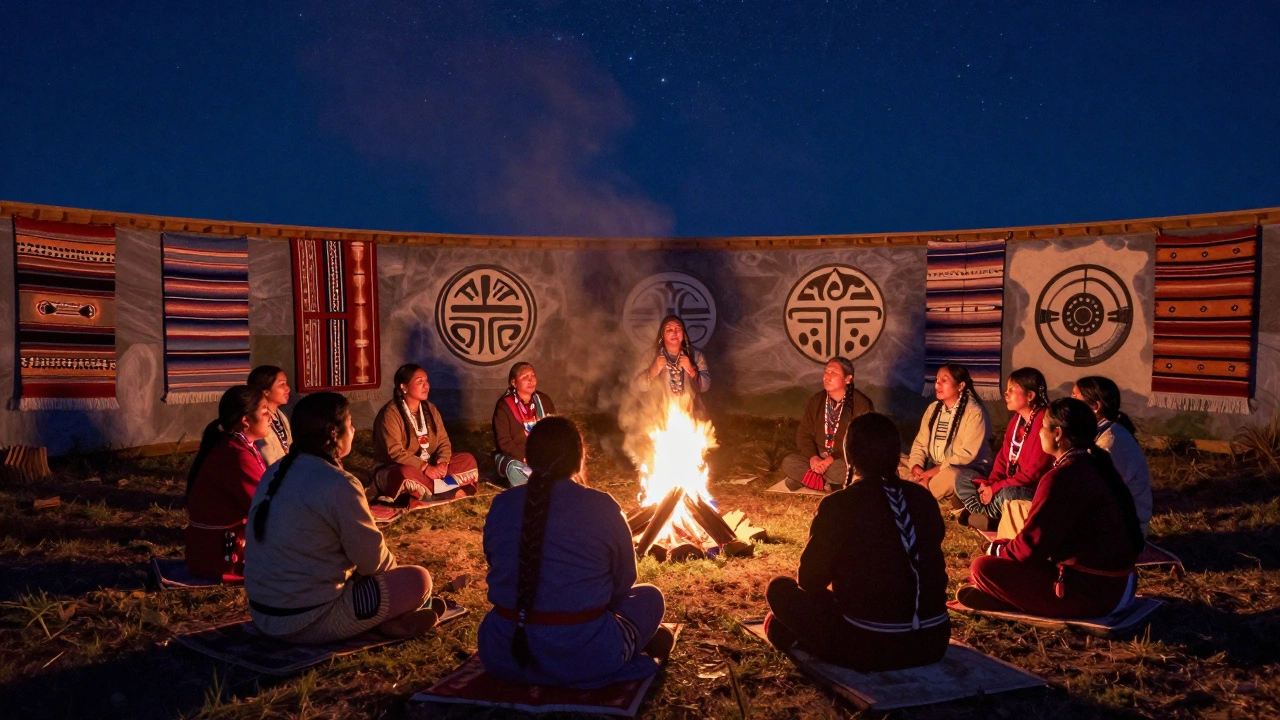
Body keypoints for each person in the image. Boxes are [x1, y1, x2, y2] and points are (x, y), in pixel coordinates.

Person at [478, 416, 673, 688]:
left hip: (504, 653)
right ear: (579, 458)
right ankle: (629, 646)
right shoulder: (601, 506)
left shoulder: (501, 505)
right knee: (650, 597)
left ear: (529, 457)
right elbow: (625, 580)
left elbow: (495, 564)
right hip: (585, 656)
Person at [245, 392, 442, 643]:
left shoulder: (274, 471)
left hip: (264, 614)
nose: (353, 430)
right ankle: (387, 621)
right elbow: (374, 563)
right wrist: (394, 585)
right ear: (333, 434)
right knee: (417, 579)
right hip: (307, 619)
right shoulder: (339, 483)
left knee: (361, 574)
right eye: (349, 424)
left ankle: (386, 622)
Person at [764, 413, 950, 671]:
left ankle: (793, 633)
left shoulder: (839, 505)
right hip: (933, 642)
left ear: (848, 457)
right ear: (897, 454)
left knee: (779, 588)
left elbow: (809, 580)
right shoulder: (924, 499)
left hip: (870, 645)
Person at [957, 398, 1146, 619]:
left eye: (1042, 428)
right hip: (1120, 584)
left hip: (1094, 593)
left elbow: (1030, 549)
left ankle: (1005, 596)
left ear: (1057, 433)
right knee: (1005, 556)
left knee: (982, 567)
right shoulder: (1095, 465)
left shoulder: (1062, 477)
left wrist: (996, 550)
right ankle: (1003, 595)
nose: (1038, 433)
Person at [184, 385, 272, 582]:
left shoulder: (238, 447)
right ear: (246, 421)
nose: (271, 418)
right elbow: (263, 505)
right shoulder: (237, 455)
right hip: (222, 557)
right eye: (265, 411)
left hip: (208, 553)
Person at [954, 368, 1054, 531]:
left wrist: (994, 489)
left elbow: (1032, 475)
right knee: (964, 478)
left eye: (1011, 389)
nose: (1005, 394)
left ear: (1030, 395)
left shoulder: (1043, 422)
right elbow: (1002, 459)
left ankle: (981, 513)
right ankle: (987, 515)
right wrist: (990, 484)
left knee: (1008, 495)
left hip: (1030, 491)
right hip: (1006, 484)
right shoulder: (1016, 421)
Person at [371, 364, 478, 502]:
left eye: (426, 381)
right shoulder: (391, 414)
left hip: (431, 465)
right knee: (405, 473)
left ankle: (434, 491)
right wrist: (424, 467)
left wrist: (443, 462)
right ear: (403, 387)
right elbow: (395, 451)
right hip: (396, 468)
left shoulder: (430, 409)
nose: (426, 386)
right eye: (419, 382)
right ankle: (449, 491)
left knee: (467, 459)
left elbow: (443, 441)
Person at [1073, 376, 1154, 537]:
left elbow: (1098, 492)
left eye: (1075, 396)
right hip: (1108, 519)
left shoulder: (1111, 442)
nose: (1071, 401)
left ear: (1095, 407)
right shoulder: (1099, 433)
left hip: (1123, 530)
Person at [780, 357, 875, 492]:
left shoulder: (861, 404)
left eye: (833, 372)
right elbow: (803, 434)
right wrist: (813, 458)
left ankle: (809, 479)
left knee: (850, 470)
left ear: (848, 379)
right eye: (826, 372)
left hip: (843, 460)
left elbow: (860, 443)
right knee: (789, 462)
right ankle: (824, 482)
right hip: (817, 459)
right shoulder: (816, 401)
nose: (827, 376)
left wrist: (830, 459)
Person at [907, 363, 993, 506]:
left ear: (960, 386)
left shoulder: (974, 412)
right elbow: (920, 444)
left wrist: (929, 474)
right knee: (896, 462)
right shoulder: (932, 409)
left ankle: (916, 500)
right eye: (936, 380)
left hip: (963, 469)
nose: (937, 385)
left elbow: (965, 455)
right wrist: (917, 467)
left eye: (944, 380)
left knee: (951, 476)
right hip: (932, 467)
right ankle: (924, 489)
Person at [493, 362, 557, 487]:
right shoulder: (504, 406)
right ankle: (535, 484)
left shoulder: (544, 400)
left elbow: (556, 431)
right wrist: (524, 458)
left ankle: (540, 481)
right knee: (513, 468)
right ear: (513, 382)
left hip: (542, 455)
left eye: (533, 375)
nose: (530, 379)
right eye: (524, 376)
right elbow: (504, 442)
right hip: (518, 457)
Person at [636, 315, 710, 411]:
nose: (674, 333)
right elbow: (639, 386)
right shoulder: (651, 356)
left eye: (678, 329)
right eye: (669, 330)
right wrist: (653, 371)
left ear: (683, 334)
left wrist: (691, 370)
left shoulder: (695, 356)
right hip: (659, 415)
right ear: (662, 335)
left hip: (690, 414)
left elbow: (705, 386)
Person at [248, 365, 292, 467]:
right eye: (282, 385)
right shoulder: (259, 420)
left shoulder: (279, 415)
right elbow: (268, 458)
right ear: (266, 392)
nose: (288, 389)